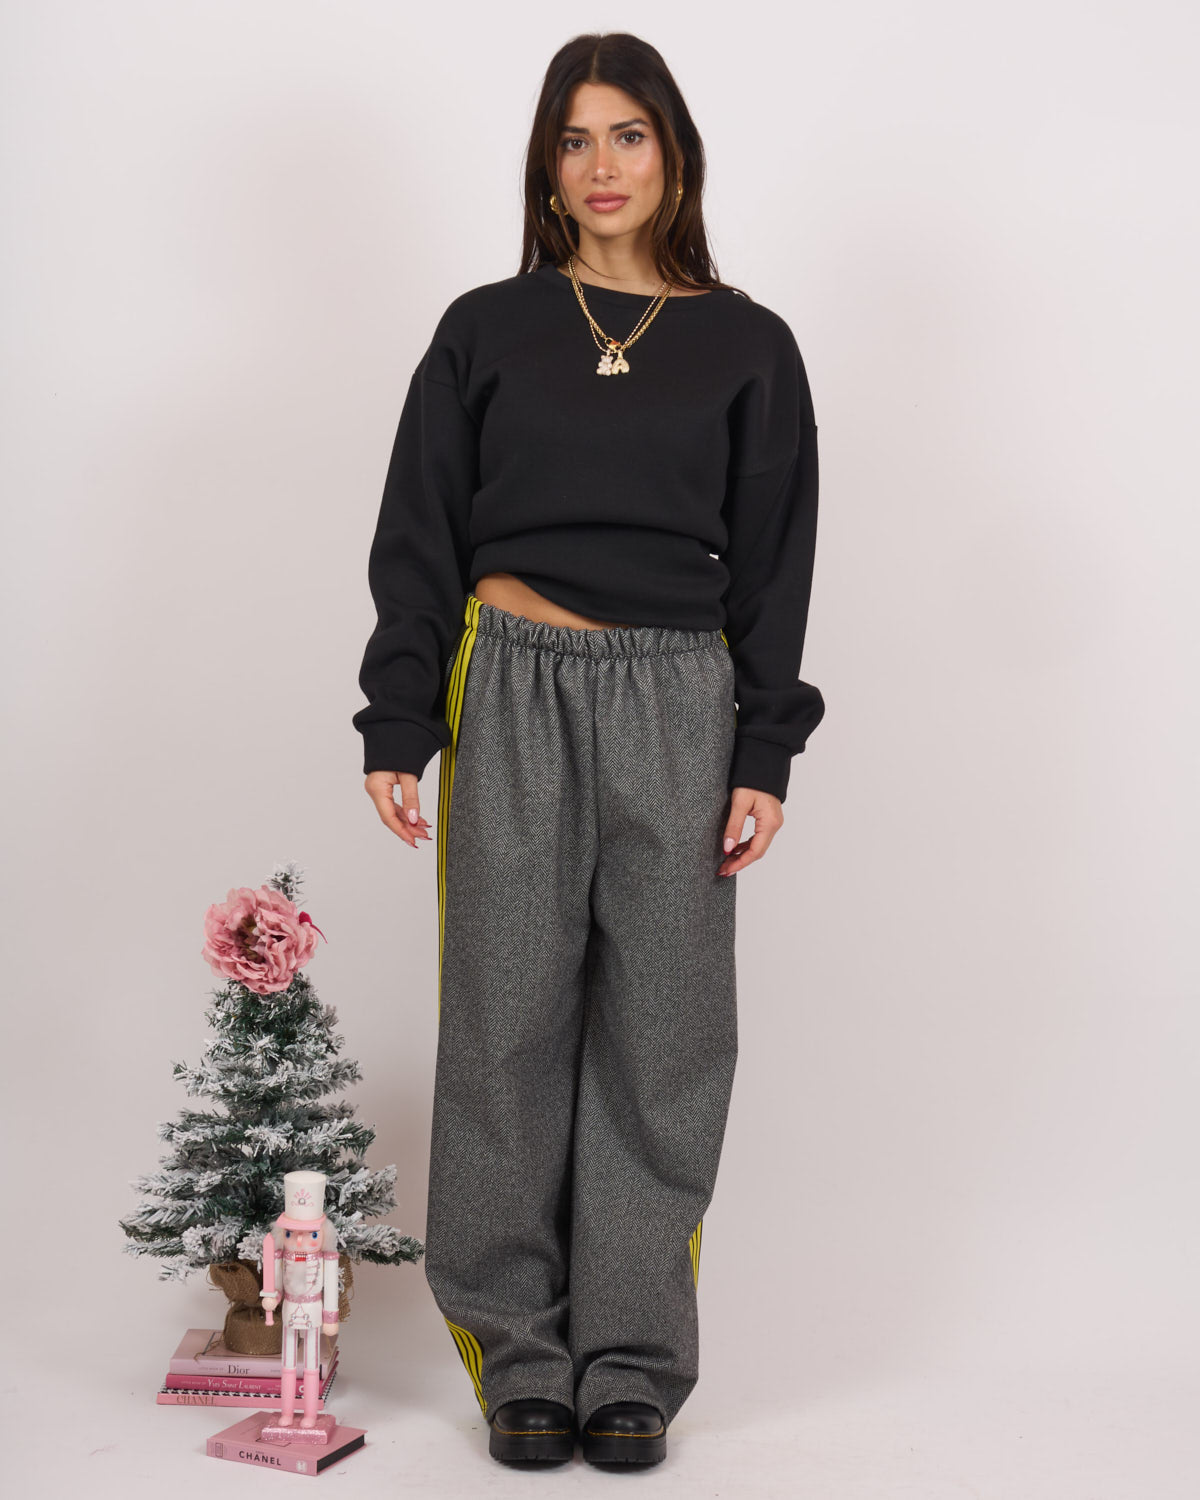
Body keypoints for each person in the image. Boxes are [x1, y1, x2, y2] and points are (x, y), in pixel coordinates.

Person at [352, 31, 825, 1469]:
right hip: (508, 682)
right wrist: (399, 716)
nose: (602, 165)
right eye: (574, 139)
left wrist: (763, 751)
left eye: (628, 135)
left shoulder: (749, 345)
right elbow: (419, 532)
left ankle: (629, 1361)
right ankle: (519, 1358)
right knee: (505, 1023)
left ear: (672, 152)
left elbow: (775, 568)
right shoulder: (486, 327)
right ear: (545, 168)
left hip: (681, 696)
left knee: (664, 1038)